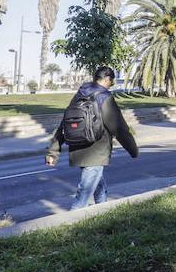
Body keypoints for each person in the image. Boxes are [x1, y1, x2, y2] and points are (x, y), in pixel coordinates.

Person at [45, 66, 139, 210]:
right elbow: (119, 128)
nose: (110, 85)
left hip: (78, 150)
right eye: (111, 82)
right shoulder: (104, 98)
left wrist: (53, 152)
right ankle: (70, 224)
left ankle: (103, 215)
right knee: (83, 195)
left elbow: (64, 124)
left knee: (98, 186)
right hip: (96, 151)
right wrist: (133, 150)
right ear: (107, 80)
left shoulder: (79, 95)